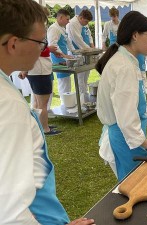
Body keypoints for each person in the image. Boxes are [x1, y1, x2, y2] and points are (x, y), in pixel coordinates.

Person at [0, 1, 94, 224]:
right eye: (39, 42)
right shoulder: (8, 104)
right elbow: (10, 210)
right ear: (13, 44)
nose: (43, 47)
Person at [96, 11, 147, 181]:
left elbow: (142, 104)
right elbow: (127, 121)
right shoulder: (124, 67)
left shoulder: (130, 60)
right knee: (134, 185)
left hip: (133, 137)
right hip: (126, 140)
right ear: (135, 35)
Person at [19, 7, 62, 136]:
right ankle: (45, 129)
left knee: (38, 103)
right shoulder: (35, 31)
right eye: (45, 17)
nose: (46, 20)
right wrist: (25, 69)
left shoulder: (30, 29)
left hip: (36, 70)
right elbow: (33, 51)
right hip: (39, 70)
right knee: (42, 103)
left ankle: (41, 126)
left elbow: (39, 49)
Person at [47, 9, 75, 103]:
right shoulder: (54, 28)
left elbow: (68, 42)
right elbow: (53, 45)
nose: (68, 21)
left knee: (66, 81)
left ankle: (67, 103)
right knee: (63, 82)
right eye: (67, 19)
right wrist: (64, 56)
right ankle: (65, 104)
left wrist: (74, 52)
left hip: (63, 57)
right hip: (58, 58)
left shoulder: (62, 28)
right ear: (60, 17)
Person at [66, 9, 94, 102]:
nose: (86, 23)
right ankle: (82, 101)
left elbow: (88, 35)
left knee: (86, 76)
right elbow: (77, 40)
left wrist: (91, 46)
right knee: (80, 78)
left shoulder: (83, 23)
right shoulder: (73, 24)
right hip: (77, 54)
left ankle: (85, 98)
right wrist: (90, 50)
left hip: (85, 52)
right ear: (81, 18)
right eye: (86, 21)